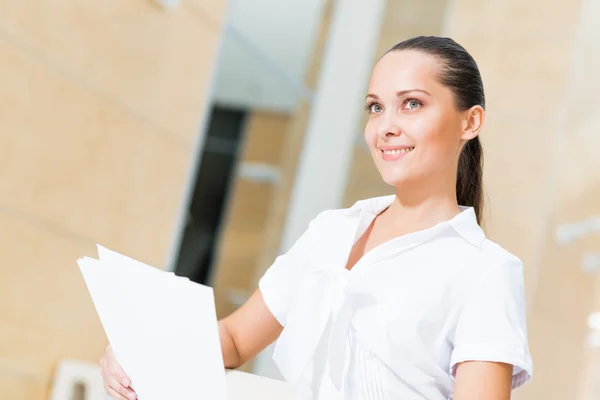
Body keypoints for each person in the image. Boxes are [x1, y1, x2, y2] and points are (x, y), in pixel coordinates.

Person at [100, 36, 532, 400]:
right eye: (376, 107)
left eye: (412, 104)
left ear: (469, 122)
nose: (385, 126)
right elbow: (234, 340)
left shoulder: (485, 271)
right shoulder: (331, 231)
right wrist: (143, 346)